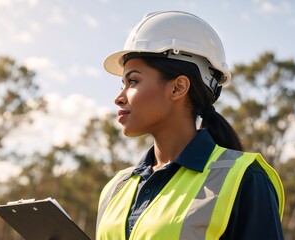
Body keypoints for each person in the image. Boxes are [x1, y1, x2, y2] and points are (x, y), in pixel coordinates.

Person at [96, 11, 284, 239]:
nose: (119, 97)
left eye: (133, 81)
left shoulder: (247, 179)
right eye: (122, 83)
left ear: (178, 88)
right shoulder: (115, 188)